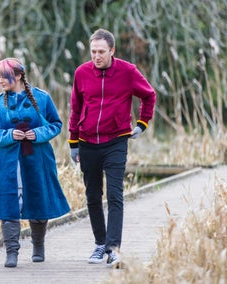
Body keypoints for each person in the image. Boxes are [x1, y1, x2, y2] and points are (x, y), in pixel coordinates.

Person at [68, 28, 156, 267]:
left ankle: (114, 248)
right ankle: (100, 244)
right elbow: (75, 108)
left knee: (115, 195)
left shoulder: (128, 72)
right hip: (87, 142)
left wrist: (142, 123)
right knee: (93, 196)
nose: (97, 56)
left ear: (112, 51)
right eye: (93, 51)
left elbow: (149, 95)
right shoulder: (82, 73)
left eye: (101, 52)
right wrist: (73, 142)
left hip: (116, 140)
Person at [0, 57, 71, 268]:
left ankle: (38, 246)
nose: (1, 82)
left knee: (38, 198)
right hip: (7, 162)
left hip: (37, 158)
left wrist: (37, 134)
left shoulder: (42, 98)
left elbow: (56, 124)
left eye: (5, 77)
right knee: (9, 203)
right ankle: (11, 252)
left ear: (20, 76)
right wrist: (10, 135)